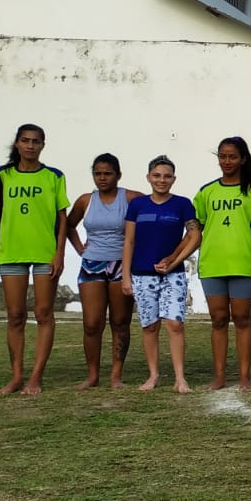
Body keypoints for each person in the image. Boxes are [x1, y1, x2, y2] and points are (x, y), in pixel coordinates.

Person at [0, 124, 70, 396]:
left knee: (43, 313)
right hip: (11, 252)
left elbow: (62, 219)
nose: (30, 146)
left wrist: (59, 252)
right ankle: (16, 376)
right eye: (25, 141)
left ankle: (36, 377)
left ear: (43, 145)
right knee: (15, 315)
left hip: (44, 254)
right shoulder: (2, 176)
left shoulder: (54, 176)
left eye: (36, 142)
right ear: (17, 144)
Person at [193, 136, 251, 391]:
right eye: (223, 156)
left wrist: (243, 240)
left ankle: (245, 377)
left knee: (242, 319)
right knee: (218, 319)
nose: (227, 161)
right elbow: (197, 228)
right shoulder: (206, 191)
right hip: (212, 264)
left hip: (243, 264)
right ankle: (219, 377)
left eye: (232, 156)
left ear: (243, 159)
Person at [121, 156, 201, 393]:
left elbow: (195, 236)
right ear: (148, 177)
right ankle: (153, 375)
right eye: (156, 175)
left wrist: (174, 260)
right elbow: (129, 240)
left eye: (167, 176)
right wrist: (126, 276)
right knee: (149, 325)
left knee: (175, 324)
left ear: (174, 179)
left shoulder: (182, 204)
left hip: (172, 275)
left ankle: (180, 378)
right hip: (142, 275)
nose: (161, 180)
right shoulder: (137, 205)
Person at [66, 153, 142, 389]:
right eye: (97, 173)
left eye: (107, 173)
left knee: (120, 321)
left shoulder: (131, 198)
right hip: (92, 264)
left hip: (121, 265)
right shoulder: (85, 200)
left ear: (118, 175)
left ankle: (116, 375)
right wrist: (80, 249)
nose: (102, 178)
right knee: (91, 323)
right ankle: (92, 375)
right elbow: (68, 226)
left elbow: (152, 217)